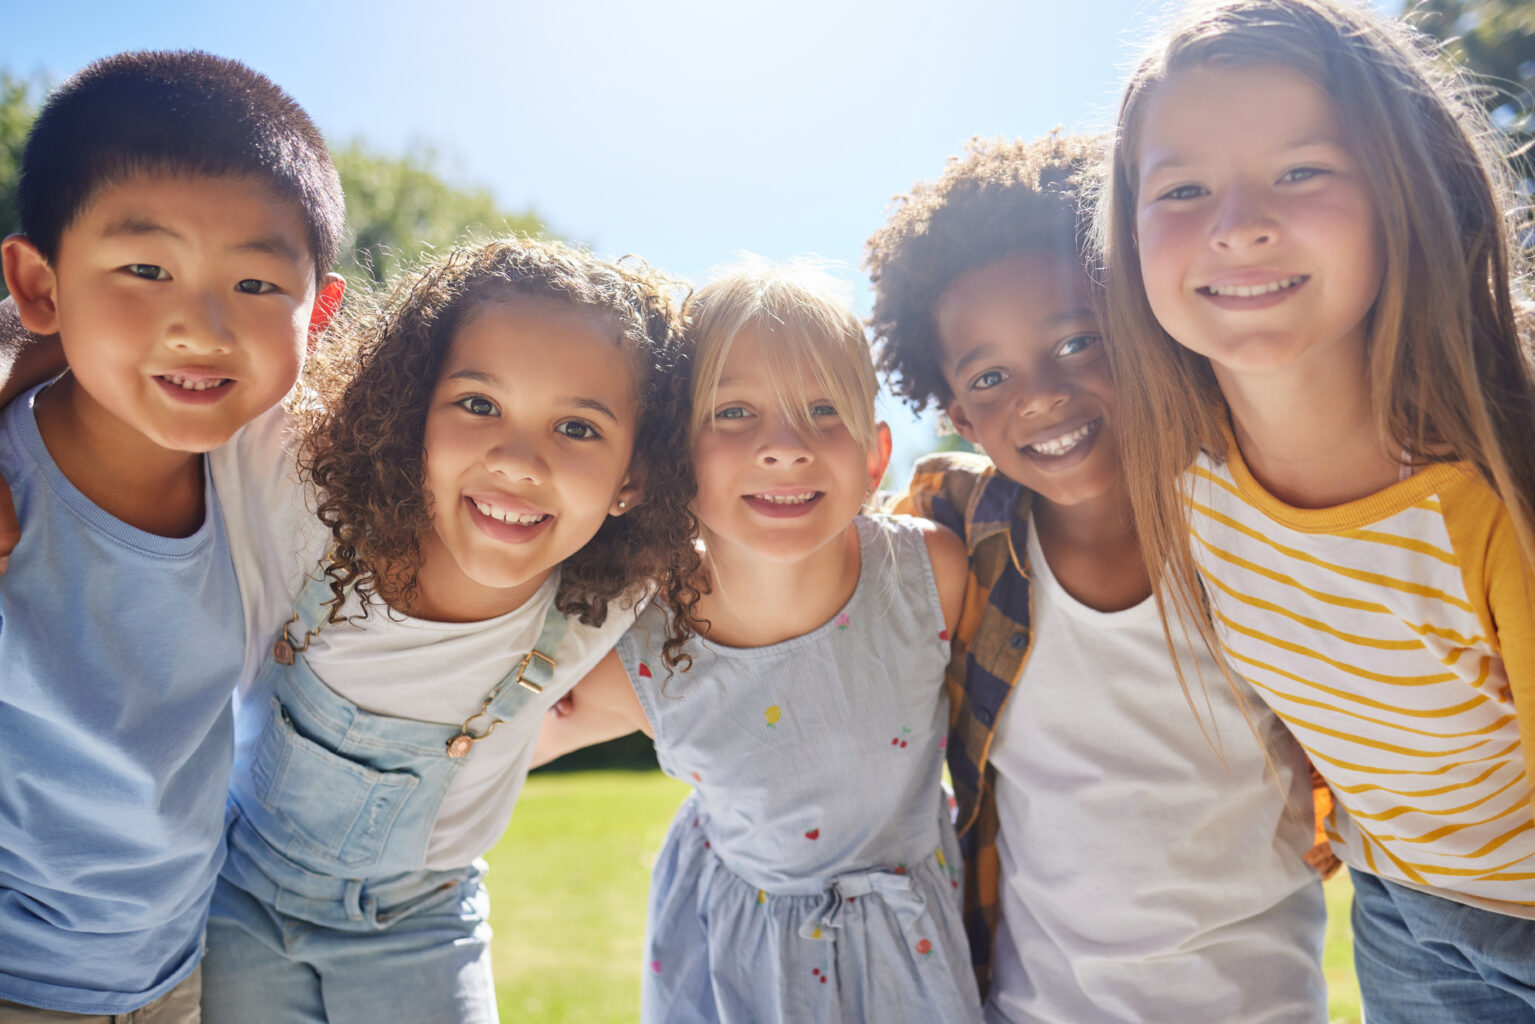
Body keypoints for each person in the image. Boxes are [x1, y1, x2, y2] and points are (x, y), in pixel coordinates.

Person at [1099, 0, 1535, 1019]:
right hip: (1399, 914)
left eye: (1300, 171)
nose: (1236, 221)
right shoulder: (1183, 475)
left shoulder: (1490, 496)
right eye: (1182, 187)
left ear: (1401, 190)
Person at [865, 133, 1329, 1023]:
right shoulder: (958, 539)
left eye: (1077, 342)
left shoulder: (1253, 523)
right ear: (960, 414)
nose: (1036, 395)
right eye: (990, 376)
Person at [198, 237, 697, 1023]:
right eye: (478, 404)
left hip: (423, 926)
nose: (519, 460)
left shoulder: (614, 595)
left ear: (633, 477)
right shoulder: (295, 493)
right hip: (238, 894)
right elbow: (75, 346)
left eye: (578, 428)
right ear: (412, 413)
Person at [534, 259, 982, 1023]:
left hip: (912, 933)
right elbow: (483, 748)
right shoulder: (642, 650)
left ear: (875, 456)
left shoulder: (927, 575)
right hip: (745, 956)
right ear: (675, 457)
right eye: (734, 413)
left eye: (821, 411)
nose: (784, 446)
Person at [0, 51, 345, 1021]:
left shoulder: (270, 480)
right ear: (39, 285)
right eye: (144, 268)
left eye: (255, 284)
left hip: (177, 982)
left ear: (317, 315)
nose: (200, 326)